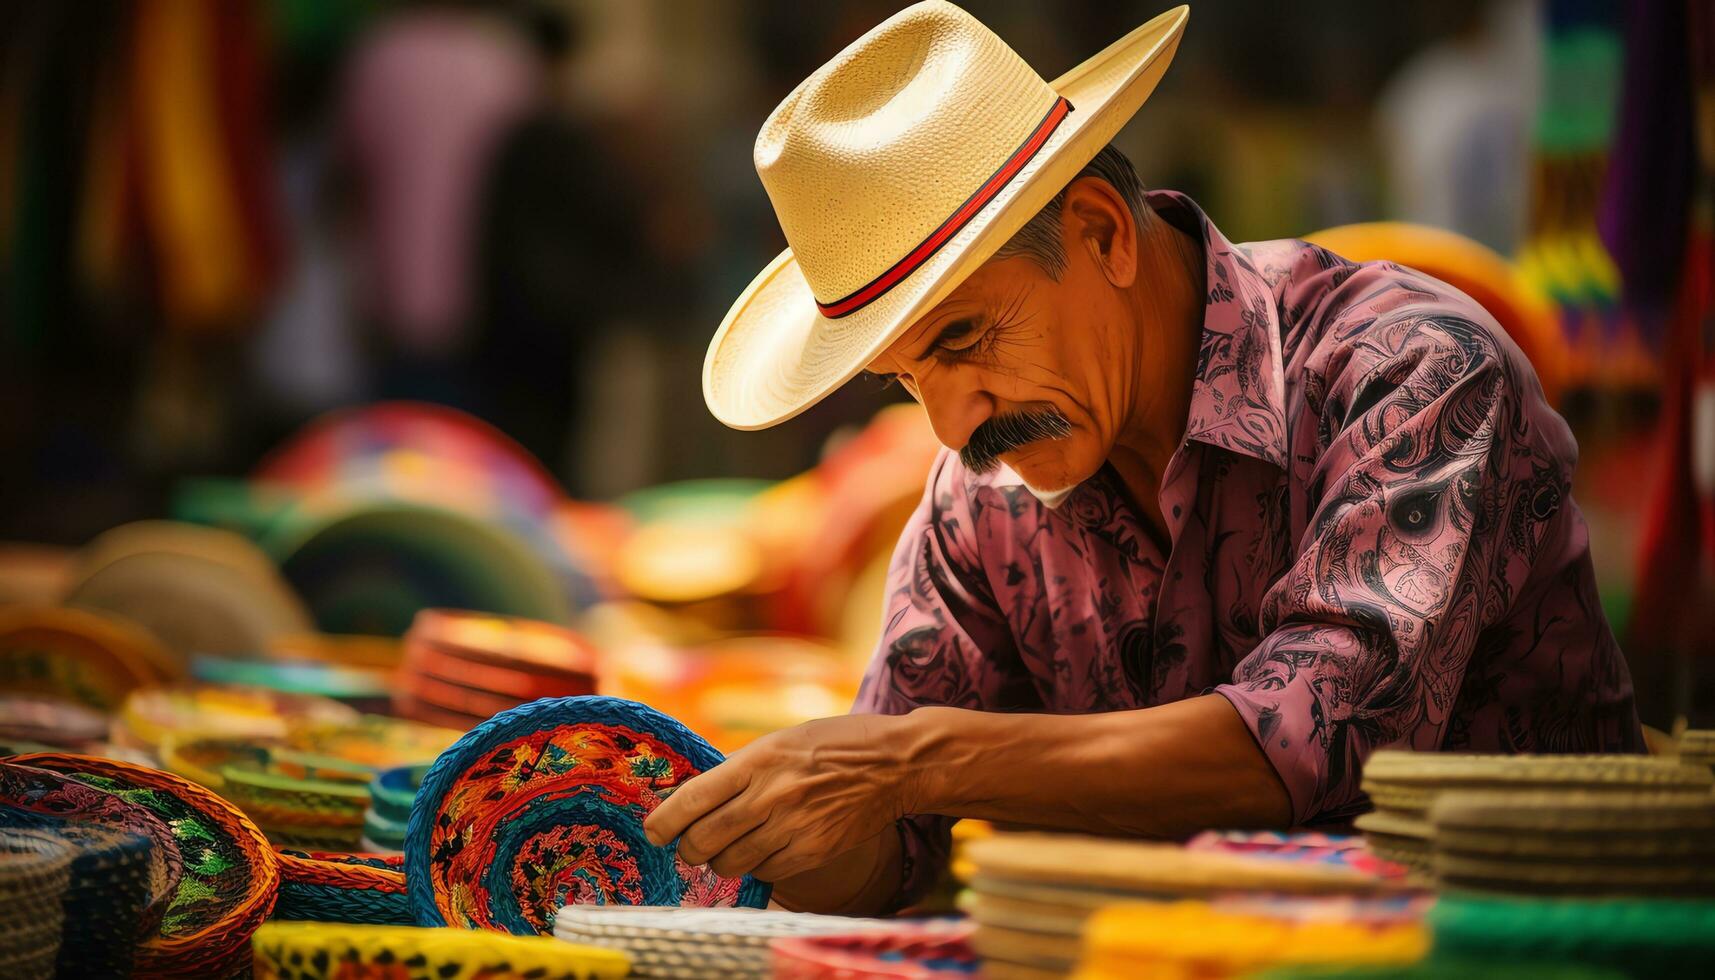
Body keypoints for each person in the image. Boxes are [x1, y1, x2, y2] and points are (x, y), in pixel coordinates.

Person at [645, 1, 1644, 916]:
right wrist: (785, 827)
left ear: (1099, 232)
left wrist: (913, 758)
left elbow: (1315, 736)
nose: (951, 426)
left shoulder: (1408, 371)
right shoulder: (978, 499)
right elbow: (895, 851)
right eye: (902, 379)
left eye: (961, 341)